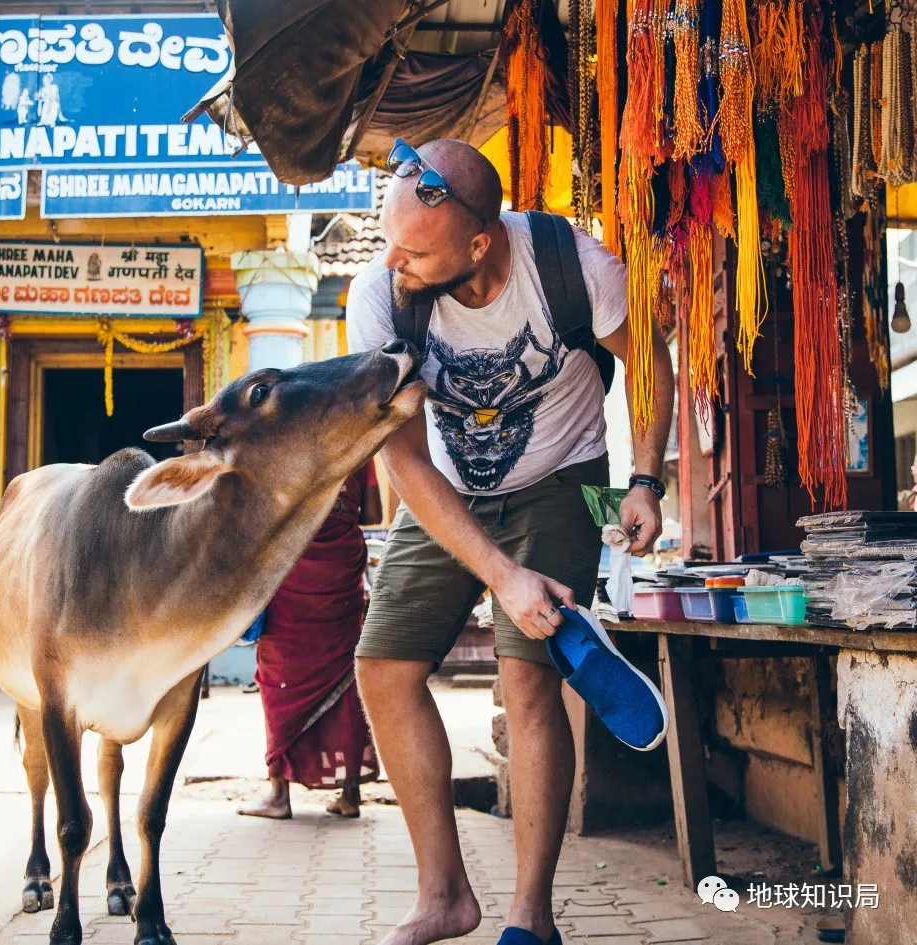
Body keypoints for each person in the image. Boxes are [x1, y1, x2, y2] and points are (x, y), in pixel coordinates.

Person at [347, 139, 674, 945]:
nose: (393, 262)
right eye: (390, 241)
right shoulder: (381, 297)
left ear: (478, 244)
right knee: (383, 666)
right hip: (444, 487)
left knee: (527, 680)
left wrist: (645, 478)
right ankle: (443, 896)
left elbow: (651, 360)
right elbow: (402, 457)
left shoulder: (573, 266)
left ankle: (531, 915)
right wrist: (500, 574)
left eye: (415, 251)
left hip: (559, 477)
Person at [239, 458, 384, 820]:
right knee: (345, 680)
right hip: (341, 577)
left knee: (279, 681)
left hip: (291, 575)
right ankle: (350, 794)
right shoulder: (360, 449)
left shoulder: (284, 446)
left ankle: (279, 795)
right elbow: (373, 514)